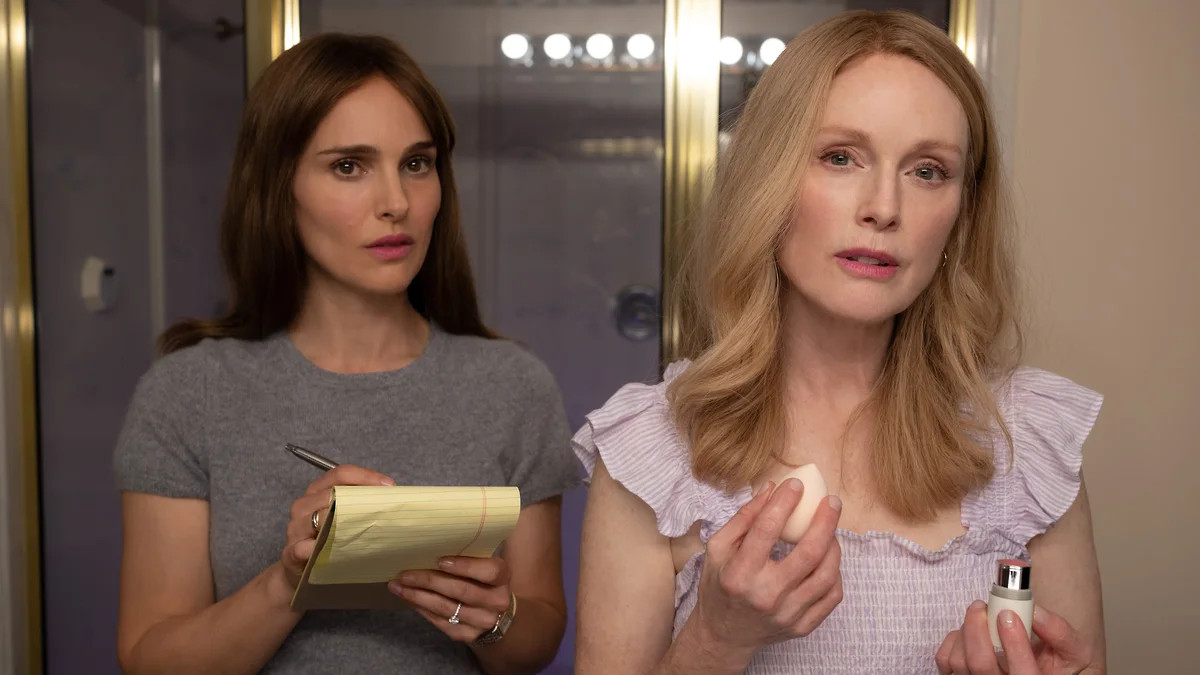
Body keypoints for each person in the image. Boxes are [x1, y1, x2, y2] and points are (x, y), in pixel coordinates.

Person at [573, 10, 1104, 674]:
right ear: (767, 181)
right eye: (840, 157)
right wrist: (715, 640)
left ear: (961, 213)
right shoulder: (653, 449)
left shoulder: (1025, 440)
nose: (884, 207)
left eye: (928, 171)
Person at [113, 33, 580, 674]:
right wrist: (290, 580)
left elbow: (536, 641)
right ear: (278, 187)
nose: (397, 203)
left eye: (416, 164)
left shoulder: (514, 385)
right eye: (349, 167)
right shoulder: (188, 392)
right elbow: (151, 660)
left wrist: (491, 619)